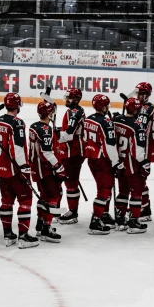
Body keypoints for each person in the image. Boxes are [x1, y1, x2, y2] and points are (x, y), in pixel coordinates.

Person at [0, 93, 39, 249]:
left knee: (6, 201)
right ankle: (23, 236)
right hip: (15, 169)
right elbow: (18, 147)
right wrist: (24, 168)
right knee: (25, 201)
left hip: (1, 168)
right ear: (18, 105)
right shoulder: (17, 123)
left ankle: (8, 235)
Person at [29, 101, 65, 243]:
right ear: (50, 113)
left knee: (44, 196)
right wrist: (58, 167)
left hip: (36, 168)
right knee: (53, 196)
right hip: (46, 169)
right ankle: (46, 228)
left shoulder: (34, 127)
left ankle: (40, 224)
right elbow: (47, 152)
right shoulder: (46, 130)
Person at [112, 97, 150, 234]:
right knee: (136, 192)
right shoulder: (137, 125)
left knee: (122, 191)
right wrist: (145, 163)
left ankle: (120, 219)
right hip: (132, 165)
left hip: (119, 163)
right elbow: (138, 152)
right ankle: (134, 221)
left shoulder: (115, 121)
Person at [83, 94, 120, 235]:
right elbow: (110, 145)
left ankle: (103, 214)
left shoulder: (88, 119)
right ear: (102, 107)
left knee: (104, 188)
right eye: (106, 105)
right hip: (103, 160)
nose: (107, 108)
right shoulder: (106, 122)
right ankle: (96, 221)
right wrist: (116, 163)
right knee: (104, 191)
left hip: (91, 159)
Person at [57, 88, 86, 224]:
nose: (66, 100)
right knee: (65, 181)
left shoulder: (75, 113)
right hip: (68, 151)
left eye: (69, 98)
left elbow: (68, 135)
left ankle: (73, 213)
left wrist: (54, 135)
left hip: (73, 152)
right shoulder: (72, 111)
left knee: (71, 183)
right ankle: (65, 210)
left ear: (76, 99)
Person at [134, 82, 154, 222]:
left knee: (139, 180)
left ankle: (143, 209)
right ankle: (145, 207)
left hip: (144, 150)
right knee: (140, 180)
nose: (137, 95)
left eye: (140, 93)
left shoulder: (145, 109)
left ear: (145, 95)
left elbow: (138, 127)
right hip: (143, 148)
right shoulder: (146, 107)